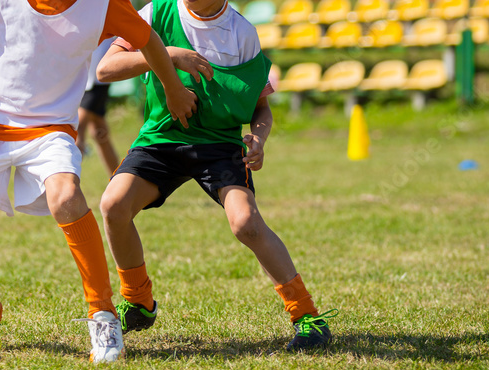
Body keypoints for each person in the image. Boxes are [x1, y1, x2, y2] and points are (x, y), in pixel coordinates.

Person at [0, 0, 197, 363]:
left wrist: (174, 88)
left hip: (51, 128)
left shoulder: (104, 6)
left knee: (66, 198)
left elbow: (149, 41)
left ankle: (102, 315)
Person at [96, 0, 337, 351]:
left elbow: (260, 107)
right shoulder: (156, 13)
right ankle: (138, 303)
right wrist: (171, 55)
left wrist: (258, 137)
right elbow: (106, 69)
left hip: (220, 145)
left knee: (247, 224)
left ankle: (307, 316)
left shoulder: (241, 32)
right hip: (162, 137)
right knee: (113, 205)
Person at [77, 38, 121, 174]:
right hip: (83, 72)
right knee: (99, 132)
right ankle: (118, 182)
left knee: (76, 130)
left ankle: (67, 187)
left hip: (97, 74)